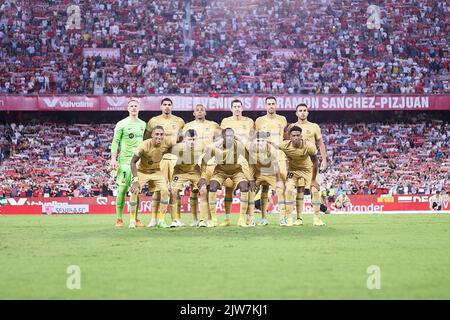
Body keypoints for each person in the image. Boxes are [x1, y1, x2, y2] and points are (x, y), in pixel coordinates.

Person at [144, 98, 185, 226]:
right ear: (161, 106)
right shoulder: (153, 121)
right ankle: (154, 219)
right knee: (157, 190)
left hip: (174, 158)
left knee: (175, 190)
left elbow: (183, 139)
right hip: (159, 159)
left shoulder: (179, 121)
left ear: (172, 107)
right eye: (165, 105)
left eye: (169, 105)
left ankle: (176, 219)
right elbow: (146, 138)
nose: (167, 107)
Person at [198, 128, 251, 227]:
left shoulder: (239, 145)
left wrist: (251, 179)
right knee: (212, 188)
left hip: (236, 171)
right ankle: (214, 220)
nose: (230, 138)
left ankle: (242, 219)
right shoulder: (214, 147)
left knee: (244, 187)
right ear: (223, 137)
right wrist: (202, 177)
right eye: (227, 136)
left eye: (232, 136)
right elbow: (204, 161)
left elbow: (250, 160)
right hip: (220, 171)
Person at [286, 103, 328, 225]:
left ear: (308, 112)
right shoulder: (292, 127)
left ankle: (316, 218)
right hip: (295, 165)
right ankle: (294, 218)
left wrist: (324, 160)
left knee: (315, 190)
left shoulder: (314, 127)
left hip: (311, 165)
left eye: (305, 110)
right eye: (300, 110)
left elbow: (320, 144)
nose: (303, 112)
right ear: (296, 113)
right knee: (293, 190)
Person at [110, 98, 146, 228]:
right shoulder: (121, 124)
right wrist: (113, 159)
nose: (134, 108)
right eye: (131, 106)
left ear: (139, 108)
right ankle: (119, 219)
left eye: (136, 106)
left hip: (139, 163)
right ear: (128, 108)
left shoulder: (143, 124)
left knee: (136, 190)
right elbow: (115, 142)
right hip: (125, 162)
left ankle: (135, 218)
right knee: (122, 190)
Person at [183, 104, 221, 226]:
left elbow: (221, 139)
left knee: (208, 190)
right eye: (197, 110)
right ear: (194, 113)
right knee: (194, 191)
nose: (199, 112)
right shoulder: (187, 126)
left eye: (201, 110)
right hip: (194, 161)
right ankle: (194, 219)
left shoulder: (213, 125)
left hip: (209, 161)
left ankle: (207, 218)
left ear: (205, 112)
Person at [129, 126, 173, 229]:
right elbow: (132, 162)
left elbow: (177, 147)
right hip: (142, 171)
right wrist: (135, 180)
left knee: (165, 191)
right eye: (157, 134)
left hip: (157, 171)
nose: (159, 136)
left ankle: (161, 221)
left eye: (161, 134)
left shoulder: (166, 144)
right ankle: (132, 220)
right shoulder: (143, 146)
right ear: (152, 135)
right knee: (134, 191)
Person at [278, 126, 323, 226]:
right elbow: (272, 147)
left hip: (308, 170)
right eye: (293, 135)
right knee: (289, 189)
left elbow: (315, 162)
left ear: (301, 136)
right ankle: (289, 218)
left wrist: (314, 179)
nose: (296, 137)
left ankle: (317, 219)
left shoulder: (309, 146)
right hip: (292, 171)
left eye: (298, 135)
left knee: (315, 190)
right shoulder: (284, 145)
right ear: (289, 137)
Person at [219, 99, 254, 226]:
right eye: (235, 106)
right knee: (228, 189)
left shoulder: (249, 122)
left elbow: (250, 141)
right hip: (229, 159)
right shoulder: (225, 122)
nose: (237, 108)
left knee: (247, 188)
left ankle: (245, 218)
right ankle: (227, 219)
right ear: (231, 109)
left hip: (243, 160)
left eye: (239, 106)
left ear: (242, 108)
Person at [255, 96, 288, 225]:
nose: (271, 106)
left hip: (279, 156)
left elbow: (285, 137)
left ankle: (283, 216)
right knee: (264, 187)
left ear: (276, 105)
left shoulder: (282, 120)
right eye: (269, 104)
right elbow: (256, 139)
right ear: (265, 106)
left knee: (281, 186)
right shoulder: (259, 121)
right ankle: (263, 217)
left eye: (273, 103)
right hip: (265, 158)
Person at [245, 131, 288, 226]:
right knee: (251, 192)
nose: (260, 143)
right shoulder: (251, 148)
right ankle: (252, 218)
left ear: (267, 141)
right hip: (258, 174)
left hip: (270, 174)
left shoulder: (271, 150)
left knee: (280, 191)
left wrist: (278, 180)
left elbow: (276, 165)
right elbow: (251, 165)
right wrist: (251, 180)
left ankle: (283, 218)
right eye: (258, 141)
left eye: (263, 141)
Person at [167, 129, 206, 227]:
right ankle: (174, 220)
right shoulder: (177, 148)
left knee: (203, 190)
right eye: (189, 139)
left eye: (194, 139)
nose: (192, 142)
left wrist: (203, 176)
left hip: (194, 171)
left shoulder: (201, 147)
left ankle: (201, 220)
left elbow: (205, 161)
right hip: (179, 172)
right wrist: (167, 179)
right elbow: (165, 157)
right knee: (173, 191)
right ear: (184, 139)